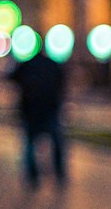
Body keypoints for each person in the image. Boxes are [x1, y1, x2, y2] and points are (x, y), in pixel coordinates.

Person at [9, 50, 67, 188]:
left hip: (31, 110)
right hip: (50, 109)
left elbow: (12, 78)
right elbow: (62, 82)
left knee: (29, 144)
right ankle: (59, 173)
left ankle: (32, 175)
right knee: (57, 142)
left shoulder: (26, 65)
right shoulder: (52, 65)